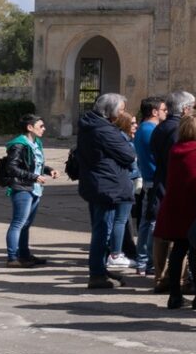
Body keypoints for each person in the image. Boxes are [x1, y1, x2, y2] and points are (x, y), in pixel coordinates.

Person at [70, 92, 136, 290]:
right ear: (110, 111)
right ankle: (97, 274)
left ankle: (99, 268)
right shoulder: (103, 129)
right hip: (106, 186)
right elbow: (129, 155)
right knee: (102, 231)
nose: (122, 114)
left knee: (101, 229)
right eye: (121, 110)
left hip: (98, 183)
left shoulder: (92, 124)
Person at [154, 114, 196, 310]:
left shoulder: (175, 150)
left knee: (178, 250)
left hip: (175, 205)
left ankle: (175, 295)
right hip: (193, 207)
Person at [146, 90, 193, 290]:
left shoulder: (161, 127)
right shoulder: (178, 129)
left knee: (163, 233)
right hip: (173, 185)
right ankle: (174, 279)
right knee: (176, 235)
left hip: (162, 182)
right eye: (192, 108)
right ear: (185, 109)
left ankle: (162, 277)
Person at [0, 113, 57, 268]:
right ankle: (12, 258)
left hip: (34, 188)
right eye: (41, 126)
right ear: (29, 127)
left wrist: (48, 170)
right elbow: (12, 168)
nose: (44, 129)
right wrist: (33, 177)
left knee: (26, 224)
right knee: (18, 223)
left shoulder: (36, 142)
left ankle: (24, 255)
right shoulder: (18, 144)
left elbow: (33, 164)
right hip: (21, 188)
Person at [132, 96, 168, 273]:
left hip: (149, 178)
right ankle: (149, 261)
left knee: (147, 221)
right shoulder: (150, 130)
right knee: (153, 221)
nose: (166, 113)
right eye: (164, 110)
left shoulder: (144, 128)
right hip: (154, 179)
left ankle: (143, 260)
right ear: (155, 112)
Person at [107, 106, 139, 273]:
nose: (136, 125)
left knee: (120, 220)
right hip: (124, 184)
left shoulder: (119, 139)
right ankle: (115, 254)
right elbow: (131, 166)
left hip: (119, 184)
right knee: (120, 220)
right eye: (132, 123)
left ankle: (115, 252)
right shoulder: (124, 142)